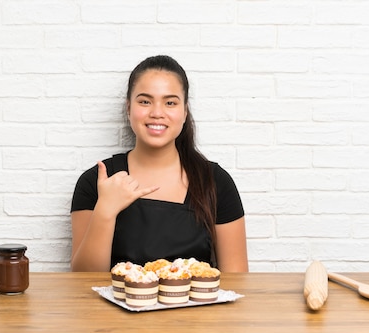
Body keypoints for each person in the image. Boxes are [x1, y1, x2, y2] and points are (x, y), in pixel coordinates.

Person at [70, 55, 248, 272]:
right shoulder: (97, 181)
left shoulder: (215, 182)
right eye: (145, 101)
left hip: (197, 307)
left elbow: (237, 281)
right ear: (128, 109)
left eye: (170, 103)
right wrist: (105, 210)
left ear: (184, 112)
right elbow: (82, 281)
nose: (156, 113)